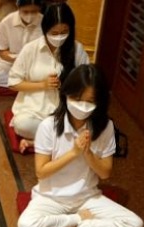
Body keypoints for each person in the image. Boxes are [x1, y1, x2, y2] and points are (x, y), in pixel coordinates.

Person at [16, 64, 143, 227]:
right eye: (76, 98)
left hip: (86, 198)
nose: (82, 105)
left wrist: (87, 152)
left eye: (89, 101)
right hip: (51, 198)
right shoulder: (48, 126)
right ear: (66, 95)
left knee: (134, 225)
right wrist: (74, 153)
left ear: (99, 102)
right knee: (27, 226)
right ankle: (76, 220)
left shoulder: (105, 127)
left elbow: (105, 173)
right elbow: (41, 172)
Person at [8, 3, 89, 151]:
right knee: (22, 125)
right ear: (45, 30)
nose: (59, 37)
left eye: (64, 32)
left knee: (88, 124)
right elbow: (13, 82)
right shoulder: (30, 49)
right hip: (34, 109)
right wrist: (42, 85)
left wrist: (68, 86)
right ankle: (61, 143)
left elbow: (87, 82)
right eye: (54, 33)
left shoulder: (77, 50)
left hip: (65, 110)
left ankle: (37, 142)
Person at [0, 0, 42, 89]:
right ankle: (30, 85)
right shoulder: (7, 22)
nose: (29, 16)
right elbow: (2, 51)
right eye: (25, 12)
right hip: (11, 62)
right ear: (18, 7)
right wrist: (16, 58)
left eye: (34, 12)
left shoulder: (45, 22)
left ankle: (24, 84)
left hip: (35, 63)